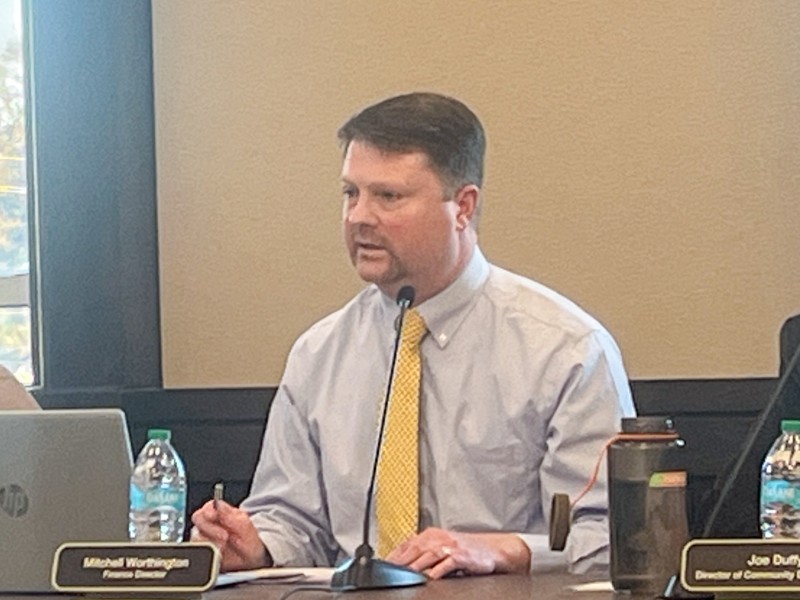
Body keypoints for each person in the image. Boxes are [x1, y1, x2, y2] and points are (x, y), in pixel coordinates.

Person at [192, 92, 635, 578]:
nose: (359, 217)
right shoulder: (318, 354)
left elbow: (612, 537)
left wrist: (501, 550)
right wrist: (254, 545)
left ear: (462, 206)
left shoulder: (565, 350)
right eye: (350, 194)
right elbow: (293, 520)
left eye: (388, 197)